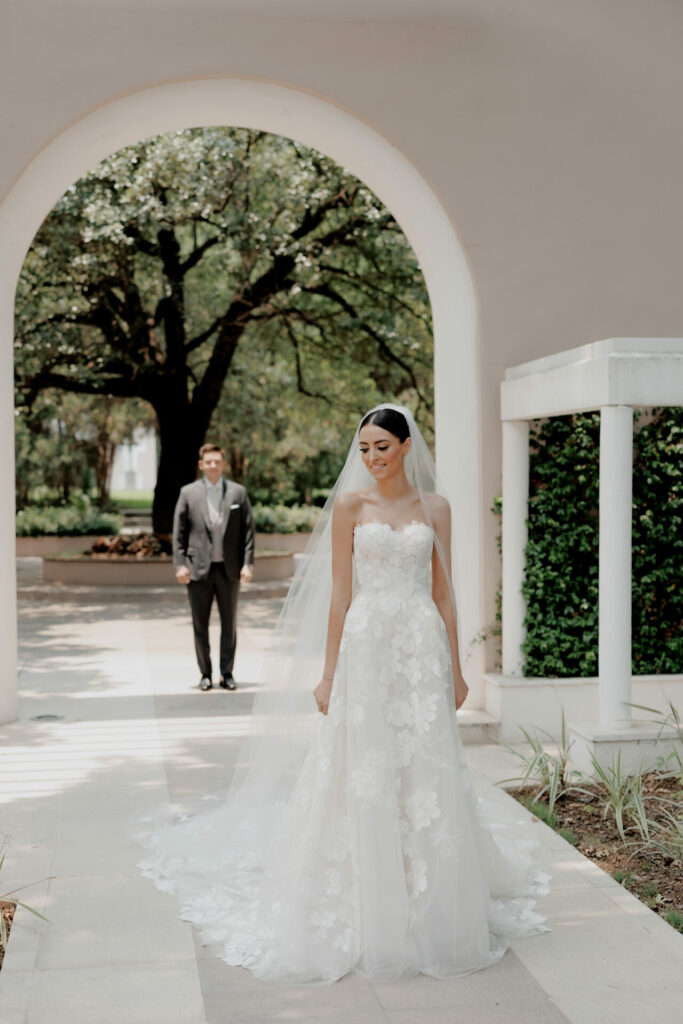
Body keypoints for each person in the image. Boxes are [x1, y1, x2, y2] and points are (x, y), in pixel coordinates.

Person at [137, 405, 549, 984]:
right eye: (364, 449)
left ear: (407, 446)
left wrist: (456, 669)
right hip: (367, 648)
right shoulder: (352, 508)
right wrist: (329, 673)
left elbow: (445, 591)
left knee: (426, 764)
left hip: (420, 647)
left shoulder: (437, 509)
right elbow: (338, 596)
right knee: (366, 763)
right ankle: (365, 890)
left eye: (382, 446)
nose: (372, 458)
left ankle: (431, 891)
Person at [172, 442, 255, 691]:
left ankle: (227, 673)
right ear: (201, 465)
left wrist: (247, 564)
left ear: (223, 465)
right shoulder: (188, 493)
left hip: (229, 570)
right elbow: (179, 533)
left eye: (217, 461)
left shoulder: (238, 493)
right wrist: (179, 565)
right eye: (208, 462)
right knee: (200, 624)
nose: (213, 466)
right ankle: (205, 674)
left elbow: (248, 532)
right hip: (198, 570)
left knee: (229, 623)